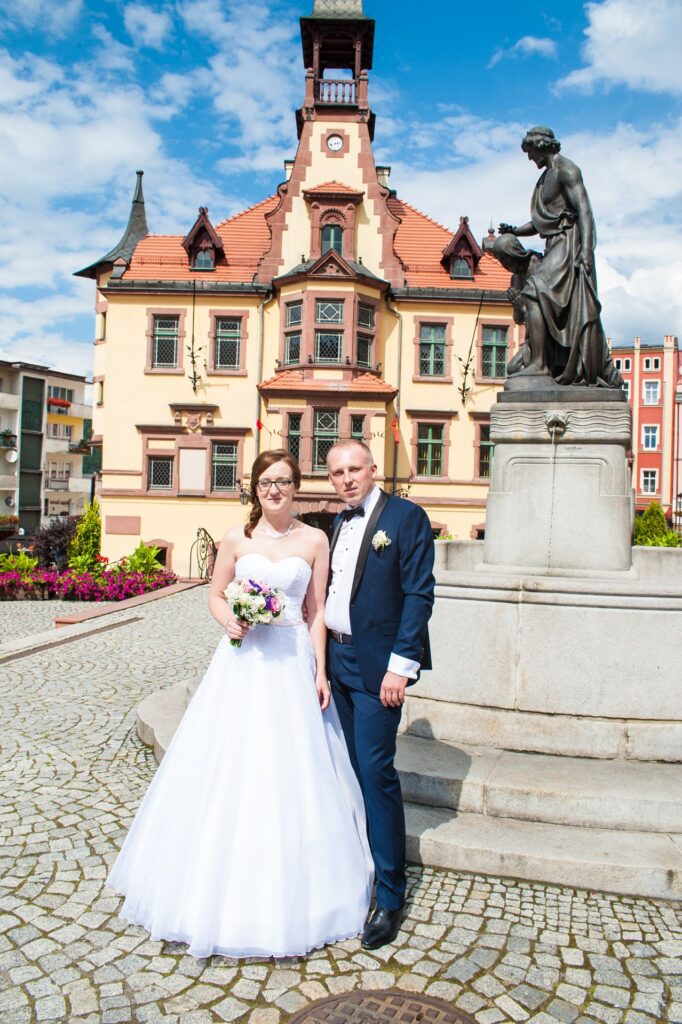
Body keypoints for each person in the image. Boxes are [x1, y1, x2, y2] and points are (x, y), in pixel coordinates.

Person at [107, 450, 373, 958]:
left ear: (296, 487)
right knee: (230, 759)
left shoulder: (315, 540)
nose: (275, 490)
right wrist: (228, 618)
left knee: (292, 766)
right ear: (254, 487)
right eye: (266, 482)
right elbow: (214, 594)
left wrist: (320, 670)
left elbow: (316, 611)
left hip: (291, 659)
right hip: (243, 660)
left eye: (284, 481)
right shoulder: (236, 538)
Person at [325, 440, 435, 950]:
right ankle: (356, 869)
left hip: (378, 669)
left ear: (373, 469)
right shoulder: (336, 523)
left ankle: (390, 894)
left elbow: (419, 594)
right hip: (335, 662)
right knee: (347, 771)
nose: (347, 479)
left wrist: (400, 667)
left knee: (375, 772)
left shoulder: (406, 517)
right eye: (337, 472)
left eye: (355, 469)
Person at [496, 126, 622, 388]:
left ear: (541, 146)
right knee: (536, 294)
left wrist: (586, 251)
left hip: (569, 242)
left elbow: (584, 211)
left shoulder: (567, 170)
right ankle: (541, 362)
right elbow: (541, 222)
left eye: (530, 151)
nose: (530, 158)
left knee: (534, 290)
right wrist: (515, 230)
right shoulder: (544, 178)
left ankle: (540, 364)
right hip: (554, 243)